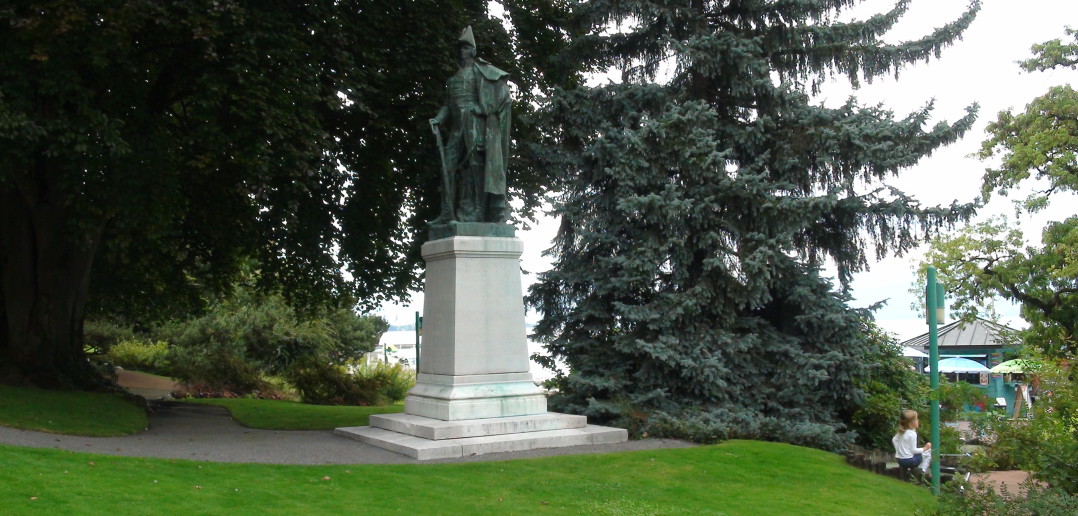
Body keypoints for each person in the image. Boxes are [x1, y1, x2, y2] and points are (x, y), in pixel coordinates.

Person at [429, 26, 512, 225]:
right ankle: (447, 212)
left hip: (475, 125)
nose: (461, 51)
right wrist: (438, 119)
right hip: (457, 129)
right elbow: (448, 106)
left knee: (476, 167)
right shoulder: (453, 80)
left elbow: (501, 97)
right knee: (447, 167)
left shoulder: (481, 73)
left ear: (473, 50)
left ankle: (480, 211)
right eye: (459, 48)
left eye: (465, 47)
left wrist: (482, 108)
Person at [892, 409, 932, 474]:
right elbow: (914, 450)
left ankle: (907, 469)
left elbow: (894, 440)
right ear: (910, 424)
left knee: (919, 453)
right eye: (916, 420)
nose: (918, 421)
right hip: (910, 462)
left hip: (900, 461)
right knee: (928, 452)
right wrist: (925, 448)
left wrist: (899, 452)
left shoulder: (902, 431)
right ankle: (922, 471)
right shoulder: (912, 434)